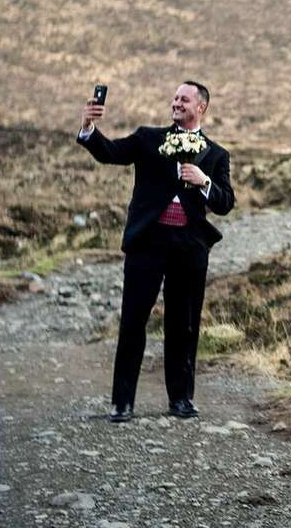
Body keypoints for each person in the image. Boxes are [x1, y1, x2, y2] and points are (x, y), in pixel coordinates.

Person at [76, 81, 235, 422]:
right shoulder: (149, 138)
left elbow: (226, 203)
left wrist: (204, 181)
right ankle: (122, 403)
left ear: (201, 107)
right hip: (147, 243)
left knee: (184, 324)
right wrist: (90, 127)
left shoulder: (217, 154)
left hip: (189, 249)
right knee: (133, 321)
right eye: (175, 98)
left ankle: (181, 399)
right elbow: (111, 153)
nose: (176, 103)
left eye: (184, 99)